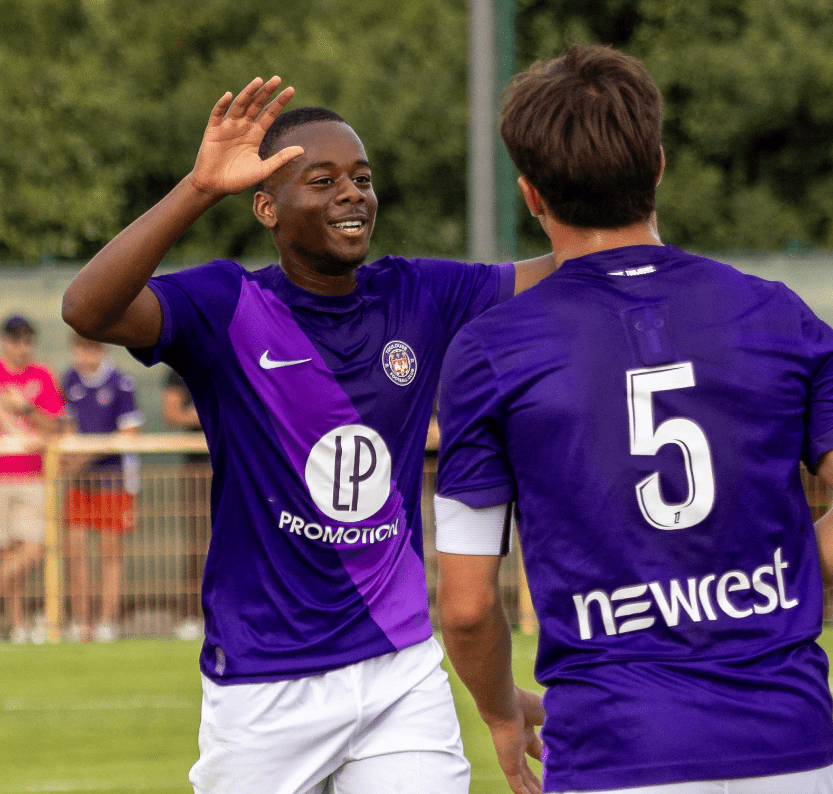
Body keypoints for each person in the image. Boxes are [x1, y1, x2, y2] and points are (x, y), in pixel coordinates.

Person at [435, 44, 833, 794]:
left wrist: (501, 713)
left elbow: (465, 607)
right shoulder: (775, 312)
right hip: (787, 745)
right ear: (658, 164)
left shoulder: (491, 349)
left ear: (530, 194)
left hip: (612, 747)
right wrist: (758, 586)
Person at [62, 77, 554, 794]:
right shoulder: (225, 305)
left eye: (362, 178)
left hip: (399, 670)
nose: (352, 193)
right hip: (264, 685)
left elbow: (569, 271)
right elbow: (86, 308)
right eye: (322, 181)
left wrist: (620, 204)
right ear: (266, 206)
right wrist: (199, 189)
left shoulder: (420, 293)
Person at [62, 334, 143, 642]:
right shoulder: (68, 380)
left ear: (100, 348)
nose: (82, 355)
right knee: (76, 552)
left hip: (113, 481)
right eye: (77, 348)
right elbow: (65, 424)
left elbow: (130, 431)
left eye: (88, 347)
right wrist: (72, 458)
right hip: (80, 483)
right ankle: (81, 621)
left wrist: (87, 454)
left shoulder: (121, 382)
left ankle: (108, 621)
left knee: (110, 554)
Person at [0, 315, 66, 643]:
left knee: (35, 547)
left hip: (32, 475)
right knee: (8, 551)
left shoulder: (42, 374)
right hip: (1, 476)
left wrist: (24, 409)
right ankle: (18, 625)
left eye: (28, 340)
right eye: (17, 340)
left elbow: (55, 426)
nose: (23, 347)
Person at [162, 368, 211, 640]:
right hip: (197, 469)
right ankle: (191, 614)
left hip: (236, 461)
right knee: (199, 543)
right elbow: (172, 414)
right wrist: (212, 410)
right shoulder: (178, 370)